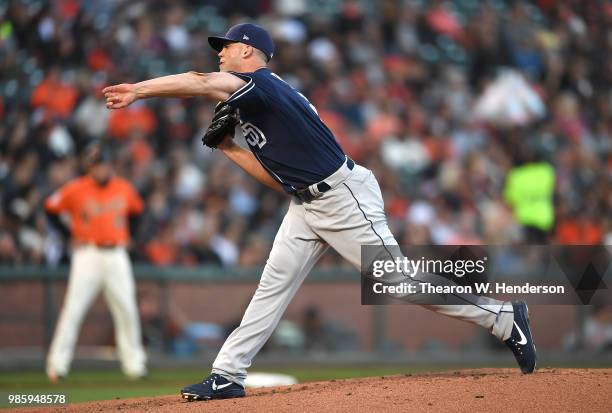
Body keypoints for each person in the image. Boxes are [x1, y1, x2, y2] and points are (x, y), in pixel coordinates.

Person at [103, 23, 536, 401]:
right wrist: (230, 148)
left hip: (343, 197)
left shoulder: (265, 87)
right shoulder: (260, 107)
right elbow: (280, 180)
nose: (221, 52)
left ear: (249, 52)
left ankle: (502, 317)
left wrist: (139, 90)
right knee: (271, 287)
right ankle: (227, 375)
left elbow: (199, 81)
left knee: (397, 282)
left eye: (228, 46)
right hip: (305, 202)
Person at [45, 141, 147, 382]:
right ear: (88, 167)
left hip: (116, 255)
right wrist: (67, 235)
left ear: (109, 165)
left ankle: (135, 365)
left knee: (127, 310)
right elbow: (50, 209)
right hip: (87, 254)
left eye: (101, 164)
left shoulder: (123, 188)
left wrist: (131, 236)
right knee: (73, 310)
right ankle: (57, 366)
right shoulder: (76, 188)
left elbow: (138, 212)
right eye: (94, 165)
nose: (98, 169)